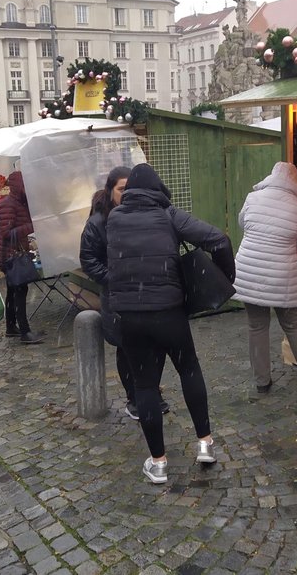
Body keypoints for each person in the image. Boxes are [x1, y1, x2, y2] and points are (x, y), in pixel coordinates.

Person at [104, 163, 235, 484]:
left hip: (131, 316)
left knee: (145, 385)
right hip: (169, 312)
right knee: (189, 370)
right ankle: (205, 443)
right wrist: (223, 278)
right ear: (159, 189)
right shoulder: (169, 215)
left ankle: (158, 463)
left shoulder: (114, 220)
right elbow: (219, 239)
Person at [80, 166, 169, 420]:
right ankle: (134, 397)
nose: (127, 193)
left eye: (130, 188)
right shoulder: (98, 222)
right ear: (110, 192)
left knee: (157, 343)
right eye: (121, 189)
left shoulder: (149, 214)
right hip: (118, 295)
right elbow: (88, 259)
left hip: (149, 291)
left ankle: (151, 392)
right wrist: (114, 280)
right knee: (127, 347)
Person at [233, 162, 297, 395]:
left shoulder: (253, 197)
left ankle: (262, 381)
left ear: (271, 175)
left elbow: (242, 223)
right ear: (295, 181)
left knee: (256, 326)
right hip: (281, 275)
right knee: (294, 324)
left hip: (249, 269)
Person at [0, 170, 44, 344]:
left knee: (14, 290)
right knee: (20, 290)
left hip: (13, 252)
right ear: (19, 186)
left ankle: (11, 327)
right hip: (10, 254)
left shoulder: (20, 202)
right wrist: (31, 226)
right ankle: (25, 332)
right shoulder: (8, 204)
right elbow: (6, 233)